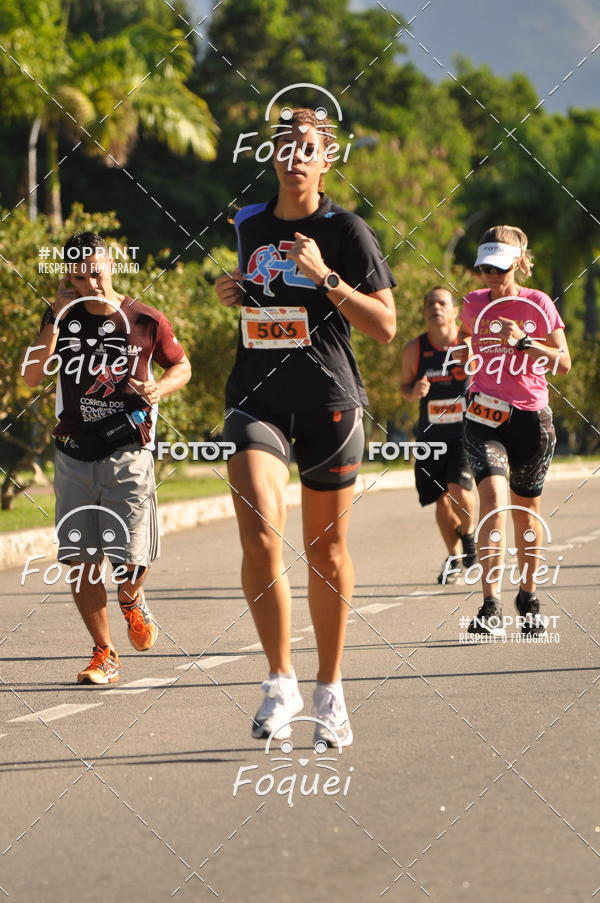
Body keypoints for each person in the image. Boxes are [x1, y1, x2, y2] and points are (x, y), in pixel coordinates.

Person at [215, 107, 396, 747]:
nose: (294, 156)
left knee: (326, 552)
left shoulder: (346, 230)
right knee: (262, 531)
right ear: (272, 157)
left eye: (307, 148)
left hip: (329, 401)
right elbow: (258, 289)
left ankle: (331, 691)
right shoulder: (251, 221)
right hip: (257, 397)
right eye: (285, 146)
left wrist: (327, 279)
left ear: (326, 160)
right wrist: (232, 289)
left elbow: (384, 326)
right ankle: (279, 680)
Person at [22, 231, 191, 683]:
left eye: (96, 270)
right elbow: (31, 377)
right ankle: (104, 652)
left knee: (130, 558)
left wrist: (160, 386)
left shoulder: (144, 319)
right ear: (68, 279)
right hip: (74, 452)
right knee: (78, 558)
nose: (91, 282)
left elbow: (182, 365)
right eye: (79, 275)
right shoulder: (61, 320)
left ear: (111, 264)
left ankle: (132, 598)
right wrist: (54, 318)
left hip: (129, 449)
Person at [453, 225, 570, 636]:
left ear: (519, 263)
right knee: (492, 502)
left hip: (531, 419)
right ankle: (490, 603)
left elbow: (563, 362)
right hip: (484, 416)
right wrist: (465, 353)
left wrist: (526, 344)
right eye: (484, 268)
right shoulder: (471, 303)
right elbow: (466, 337)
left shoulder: (539, 304)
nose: (491, 276)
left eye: (499, 269)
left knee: (526, 512)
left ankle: (529, 594)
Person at [400, 287, 476, 584]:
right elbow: (404, 387)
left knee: (458, 489)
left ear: (455, 311)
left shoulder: (469, 344)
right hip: (431, 436)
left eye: (442, 302)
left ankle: (469, 540)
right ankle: (455, 556)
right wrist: (413, 391)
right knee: (441, 499)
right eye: (430, 303)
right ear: (424, 312)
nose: (436, 307)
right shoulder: (414, 349)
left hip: (465, 432)